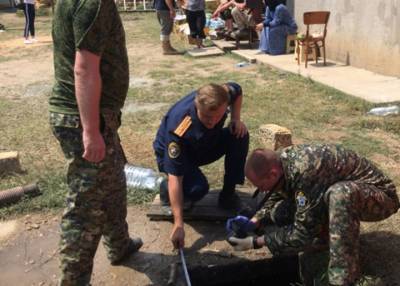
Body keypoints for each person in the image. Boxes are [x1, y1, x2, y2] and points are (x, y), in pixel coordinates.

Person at [49, 0, 143, 284]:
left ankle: (119, 244)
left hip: (94, 118)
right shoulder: (94, 2)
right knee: (85, 207)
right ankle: (73, 280)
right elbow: (84, 69)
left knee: (114, 182)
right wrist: (90, 131)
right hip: (86, 120)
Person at [227, 144, 399, 286]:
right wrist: (256, 219)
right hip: (331, 188)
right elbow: (277, 192)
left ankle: (343, 278)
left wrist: (256, 242)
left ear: (272, 173)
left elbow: (302, 234)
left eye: (261, 186)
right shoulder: (282, 163)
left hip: (380, 198)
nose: (262, 191)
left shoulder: (306, 171)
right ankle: (324, 237)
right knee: (281, 212)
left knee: (340, 195)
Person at [153, 82, 249, 249]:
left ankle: (228, 196)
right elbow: (176, 177)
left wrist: (235, 118)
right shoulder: (180, 126)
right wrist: (178, 224)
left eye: (218, 116)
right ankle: (165, 189)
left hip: (203, 143)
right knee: (197, 189)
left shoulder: (224, 94)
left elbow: (237, 90)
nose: (212, 121)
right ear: (197, 106)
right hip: (176, 156)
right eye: (206, 117)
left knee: (239, 135)